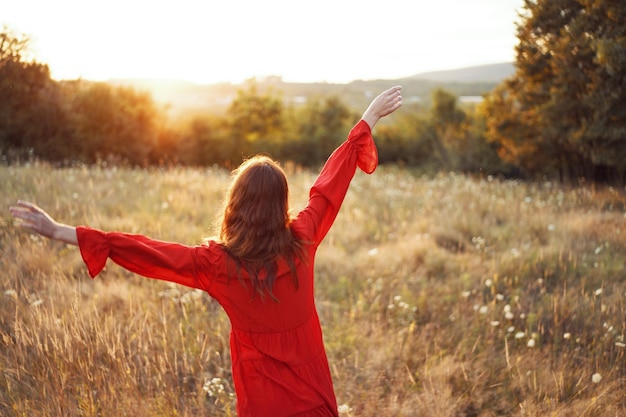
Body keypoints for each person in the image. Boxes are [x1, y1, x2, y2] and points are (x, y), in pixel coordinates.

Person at [9, 86, 402, 417]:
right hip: (314, 399)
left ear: (236, 205)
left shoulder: (218, 265)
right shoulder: (303, 240)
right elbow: (326, 189)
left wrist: (62, 231)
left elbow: (149, 251)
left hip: (262, 405)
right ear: (281, 203)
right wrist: (367, 119)